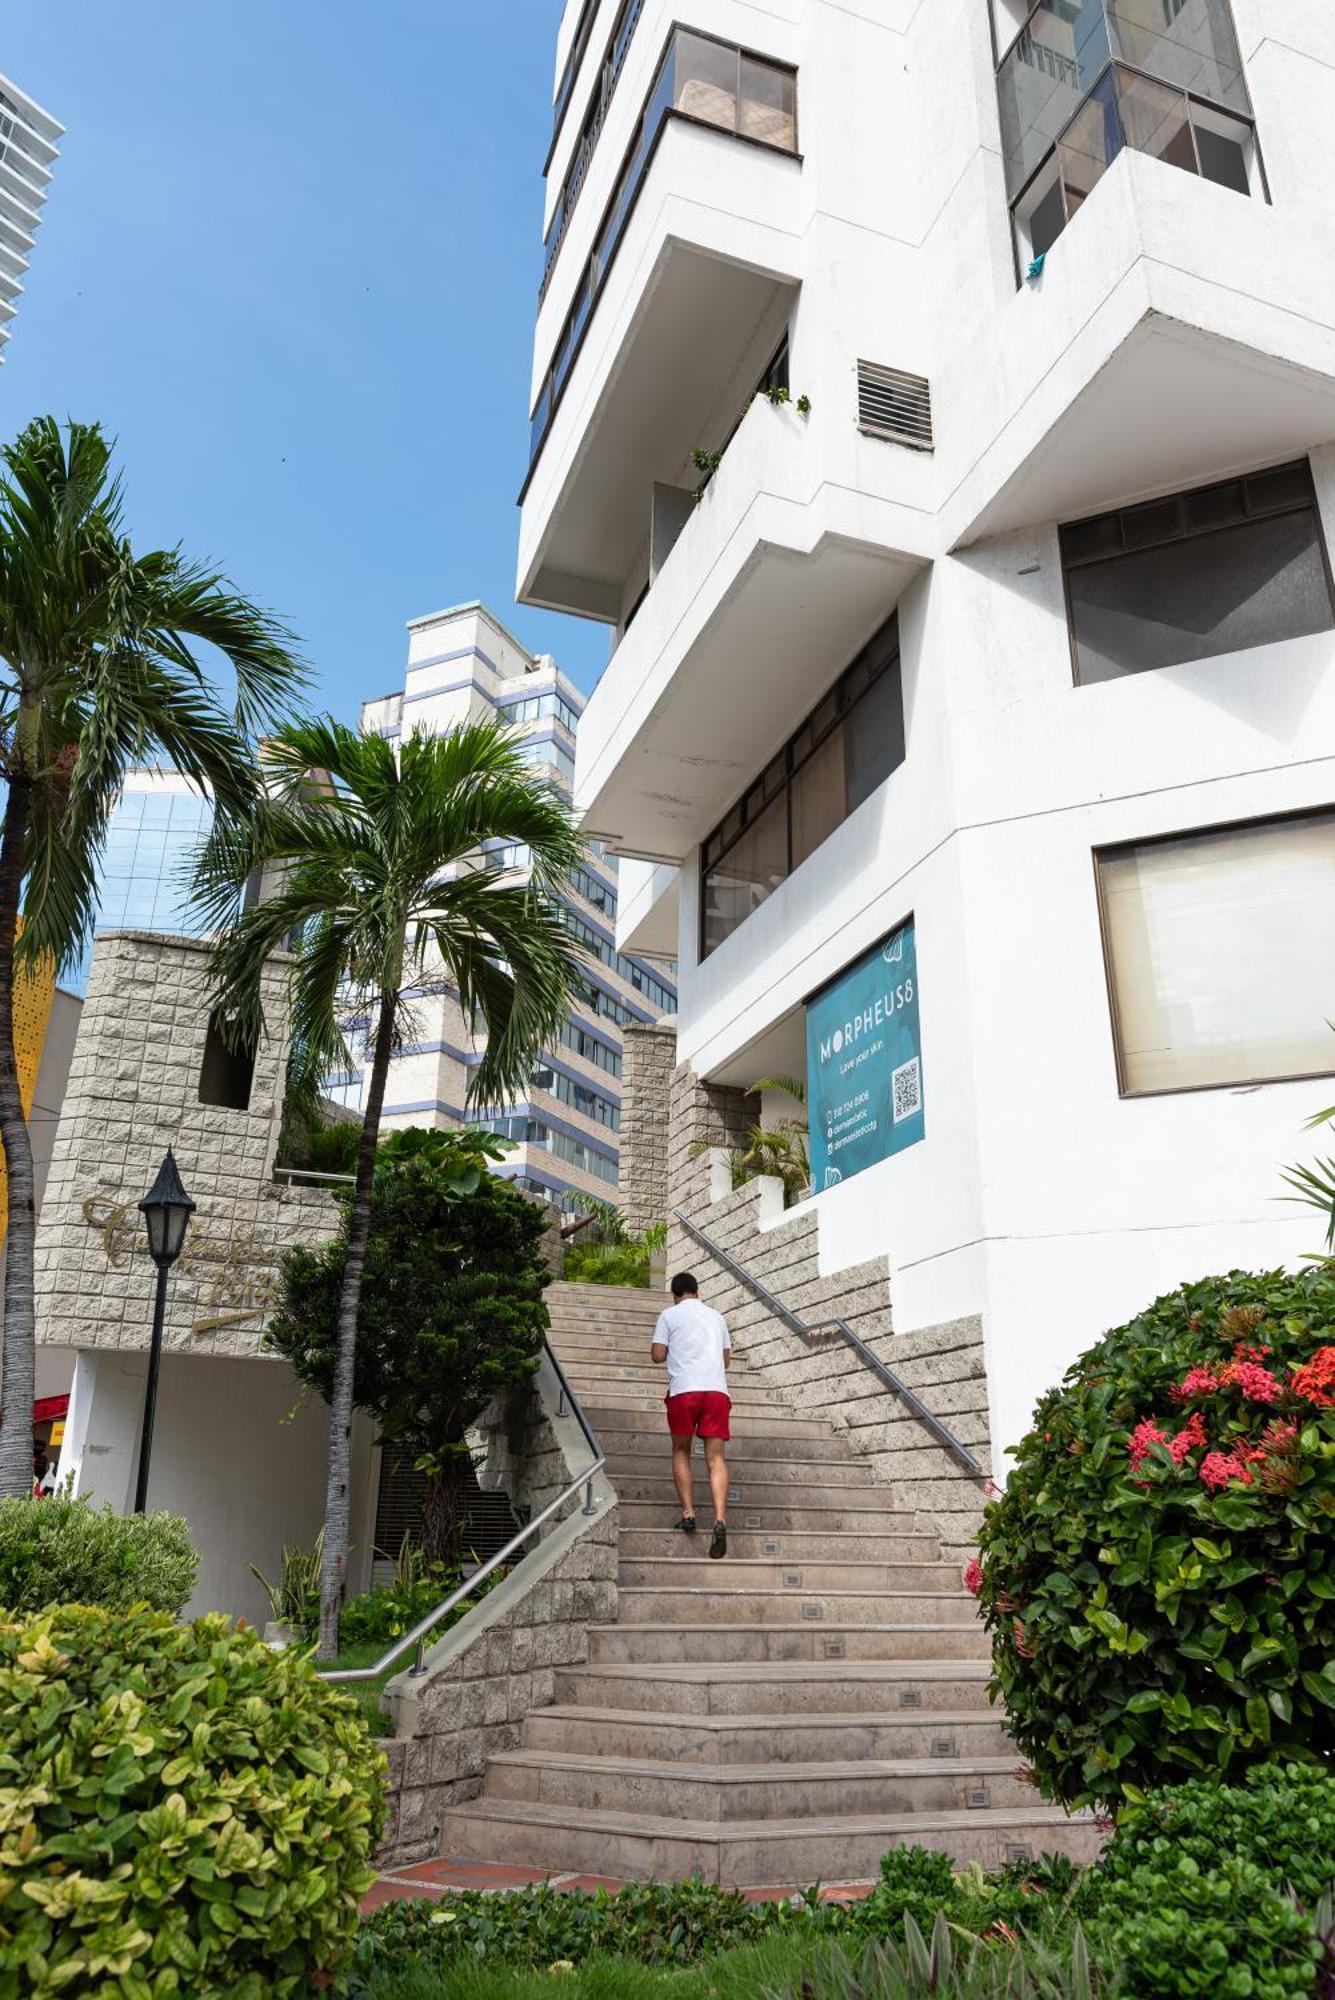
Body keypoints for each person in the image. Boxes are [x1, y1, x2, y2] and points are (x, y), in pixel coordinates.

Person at [651, 1271, 731, 1560]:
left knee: (681, 1450)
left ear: (674, 1294)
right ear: (697, 1292)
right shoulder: (717, 1317)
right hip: (716, 1392)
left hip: (685, 1391)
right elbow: (726, 1360)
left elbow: (657, 1355)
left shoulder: (669, 1315)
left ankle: (689, 1513)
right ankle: (720, 1519)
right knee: (716, 1458)